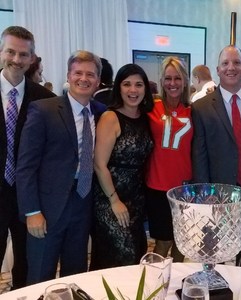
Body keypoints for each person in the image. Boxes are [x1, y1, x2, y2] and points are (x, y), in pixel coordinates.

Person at [16, 50, 106, 284]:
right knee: (40, 276)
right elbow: (25, 166)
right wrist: (32, 211)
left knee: (75, 274)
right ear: (69, 75)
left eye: (90, 74)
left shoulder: (102, 112)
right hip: (47, 208)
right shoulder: (43, 109)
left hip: (83, 203)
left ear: (98, 80)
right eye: (78, 73)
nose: (83, 79)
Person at [191, 46, 241, 266]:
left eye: (236, 63)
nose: (231, 67)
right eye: (226, 63)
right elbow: (199, 153)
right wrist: (204, 192)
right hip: (219, 189)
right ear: (217, 69)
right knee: (215, 245)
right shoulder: (202, 107)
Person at [0, 25, 55, 289]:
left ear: (32, 58)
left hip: (28, 198)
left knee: (26, 265)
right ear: (1, 52)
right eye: (11, 52)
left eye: (23, 54)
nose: (16, 60)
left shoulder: (45, 99)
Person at [90, 64, 154, 270]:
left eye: (138, 84)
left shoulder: (145, 117)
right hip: (110, 200)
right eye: (127, 84)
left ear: (146, 89)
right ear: (118, 87)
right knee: (119, 257)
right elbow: (99, 164)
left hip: (137, 199)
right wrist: (114, 200)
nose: (132, 90)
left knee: (136, 255)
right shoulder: (111, 117)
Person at [145, 56, 192, 262]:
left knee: (182, 242)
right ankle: (155, 286)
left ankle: (176, 287)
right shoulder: (150, 108)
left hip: (185, 187)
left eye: (178, 78)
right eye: (168, 78)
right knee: (162, 242)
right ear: (162, 80)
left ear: (185, 80)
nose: (173, 83)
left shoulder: (194, 111)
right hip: (157, 186)